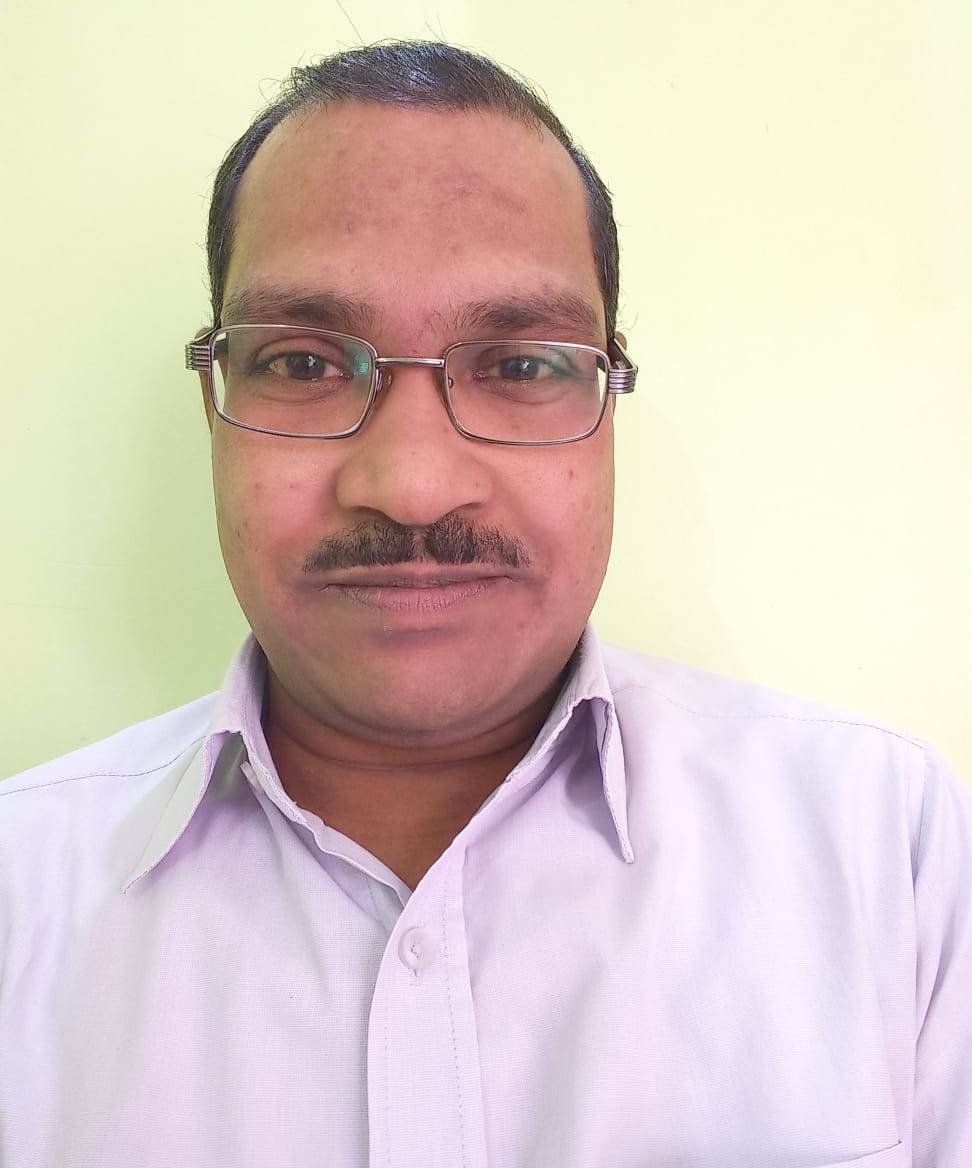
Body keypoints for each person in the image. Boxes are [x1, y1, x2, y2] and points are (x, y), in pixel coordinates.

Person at [0, 40, 968, 1168]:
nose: (413, 484)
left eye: (519, 364)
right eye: (305, 364)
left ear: (608, 399)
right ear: (215, 405)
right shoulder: (21, 893)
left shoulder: (883, 847)